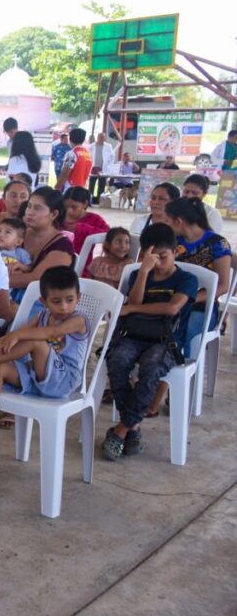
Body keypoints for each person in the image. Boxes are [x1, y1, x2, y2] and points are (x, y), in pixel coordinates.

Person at [102, 224, 198, 460]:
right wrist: (144, 272)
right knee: (116, 361)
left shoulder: (187, 278)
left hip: (166, 341)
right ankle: (132, 430)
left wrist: (133, 308)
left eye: (162, 257)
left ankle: (121, 430)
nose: (157, 263)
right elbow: (133, 299)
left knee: (151, 368)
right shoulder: (138, 274)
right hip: (134, 335)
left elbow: (172, 308)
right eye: (149, 257)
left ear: (176, 252)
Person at [0, 264, 90, 437]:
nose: (64, 307)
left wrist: (16, 336)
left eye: (70, 300)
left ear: (79, 298)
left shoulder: (79, 319)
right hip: (37, 378)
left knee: (36, 342)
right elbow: (21, 335)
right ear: (43, 301)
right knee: (1, 368)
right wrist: (7, 340)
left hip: (64, 381)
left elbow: (51, 332)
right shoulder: (42, 315)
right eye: (56, 301)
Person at [166, 196, 232, 356]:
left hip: (203, 305)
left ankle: (181, 370)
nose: (165, 225)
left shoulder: (217, 243)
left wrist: (188, 298)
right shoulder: (173, 242)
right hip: (171, 300)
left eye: (168, 220)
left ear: (178, 222)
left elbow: (223, 286)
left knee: (188, 335)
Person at [8, 186, 75, 295]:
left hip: (42, 302)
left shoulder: (62, 246)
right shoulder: (19, 234)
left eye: (37, 208)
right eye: (29, 206)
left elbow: (34, 280)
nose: (30, 212)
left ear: (54, 214)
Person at [63, 186, 109, 269]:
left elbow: (109, 234)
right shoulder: (59, 217)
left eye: (74, 207)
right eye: (66, 207)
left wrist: (82, 228)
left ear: (85, 204)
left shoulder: (94, 219)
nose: (69, 211)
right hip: (58, 261)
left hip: (83, 266)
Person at [88, 132, 115, 204]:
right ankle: (90, 200)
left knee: (101, 186)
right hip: (93, 169)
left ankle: (99, 201)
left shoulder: (108, 146)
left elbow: (112, 156)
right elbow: (88, 156)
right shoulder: (91, 146)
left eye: (103, 137)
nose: (102, 139)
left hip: (103, 169)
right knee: (91, 185)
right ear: (97, 138)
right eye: (100, 137)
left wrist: (108, 165)